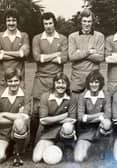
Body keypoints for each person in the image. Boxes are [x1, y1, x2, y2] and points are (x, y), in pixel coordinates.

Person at [31, 12, 68, 147]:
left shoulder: (63, 38)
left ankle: (61, 139)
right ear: (43, 24)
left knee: (58, 110)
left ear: (54, 23)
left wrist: (45, 57)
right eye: (45, 23)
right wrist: (55, 55)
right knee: (35, 112)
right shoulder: (37, 38)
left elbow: (64, 58)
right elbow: (36, 57)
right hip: (40, 79)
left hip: (57, 80)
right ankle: (31, 142)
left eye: (50, 23)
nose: (48, 26)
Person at [32, 72, 76, 163]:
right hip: (49, 132)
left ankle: (67, 147)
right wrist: (63, 116)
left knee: (68, 126)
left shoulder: (72, 97)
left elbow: (72, 119)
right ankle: (57, 145)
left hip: (63, 131)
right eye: (58, 83)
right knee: (36, 158)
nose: (61, 85)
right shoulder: (45, 96)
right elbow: (43, 121)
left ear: (67, 85)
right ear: (54, 84)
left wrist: (51, 120)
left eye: (63, 83)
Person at [74, 70, 112, 162]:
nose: (94, 85)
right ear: (88, 83)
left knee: (107, 123)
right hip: (86, 130)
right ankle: (90, 145)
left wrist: (87, 118)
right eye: (91, 82)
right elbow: (80, 117)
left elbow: (107, 115)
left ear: (100, 83)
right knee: (78, 159)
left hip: (100, 129)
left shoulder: (106, 95)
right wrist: (98, 116)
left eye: (96, 82)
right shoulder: (82, 96)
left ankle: (102, 146)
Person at [68, 8, 104, 96]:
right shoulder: (73, 36)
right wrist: (90, 52)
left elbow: (100, 58)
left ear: (92, 22)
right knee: (75, 105)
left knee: (93, 106)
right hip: (77, 77)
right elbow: (72, 57)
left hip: (94, 77)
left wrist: (79, 52)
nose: (87, 24)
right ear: (80, 22)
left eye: (89, 21)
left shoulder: (99, 36)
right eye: (84, 21)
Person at [0, 67, 30, 166]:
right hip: (3, 133)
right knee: (0, 157)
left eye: (16, 80)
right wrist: (17, 116)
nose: (13, 84)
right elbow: (20, 116)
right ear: (6, 82)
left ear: (20, 81)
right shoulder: (0, 93)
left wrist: (4, 114)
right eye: (10, 81)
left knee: (20, 123)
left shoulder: (25, 94)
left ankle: (18, 154)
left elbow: (25, 117)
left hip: (18, 130)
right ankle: (8, 150)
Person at [0, 8, 30, 89]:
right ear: (5, 22)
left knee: (21, 101)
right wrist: (18, 54)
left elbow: (24, 54)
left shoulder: (24, 36)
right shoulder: (0, 36)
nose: (11, 23)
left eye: (14, 20)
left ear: (17, 22)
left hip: (19, 80)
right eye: (8, 20)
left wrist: (4, 53)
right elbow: (20, 55)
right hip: (3, 81)